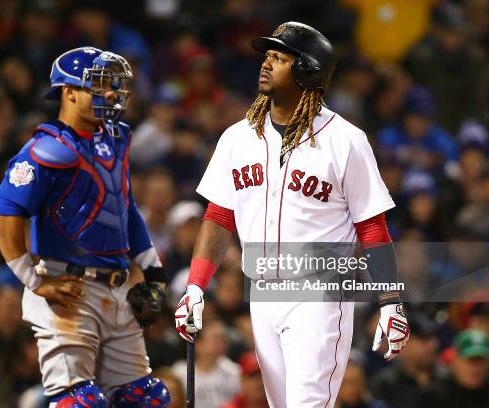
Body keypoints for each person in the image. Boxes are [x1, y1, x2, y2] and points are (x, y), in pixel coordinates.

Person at [174, 22, 410, 407]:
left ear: (307, 71)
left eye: (279, 57)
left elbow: (372, 226)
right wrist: (196, 285)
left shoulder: (345, 139)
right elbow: (219, 216)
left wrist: (391, 301)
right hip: (262, 291)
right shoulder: (237, 137)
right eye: (267, 55)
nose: (266, 63)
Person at [0, 47, 170, 407]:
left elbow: (125, 207)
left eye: (113, 86)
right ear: (68, 92)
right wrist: (35, 281)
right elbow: (3, 216)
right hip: (68, 291)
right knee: (79, 403)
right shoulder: (45, 148)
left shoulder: (115, 139)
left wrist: (154, 274)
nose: (112, 94)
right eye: (100, 86)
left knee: (146, 399)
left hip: (117, 289)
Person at [417, 329, 489, 408]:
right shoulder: (434, 398)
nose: (475, 368)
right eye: (470, 360)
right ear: (455, 362)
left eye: (481, 361)